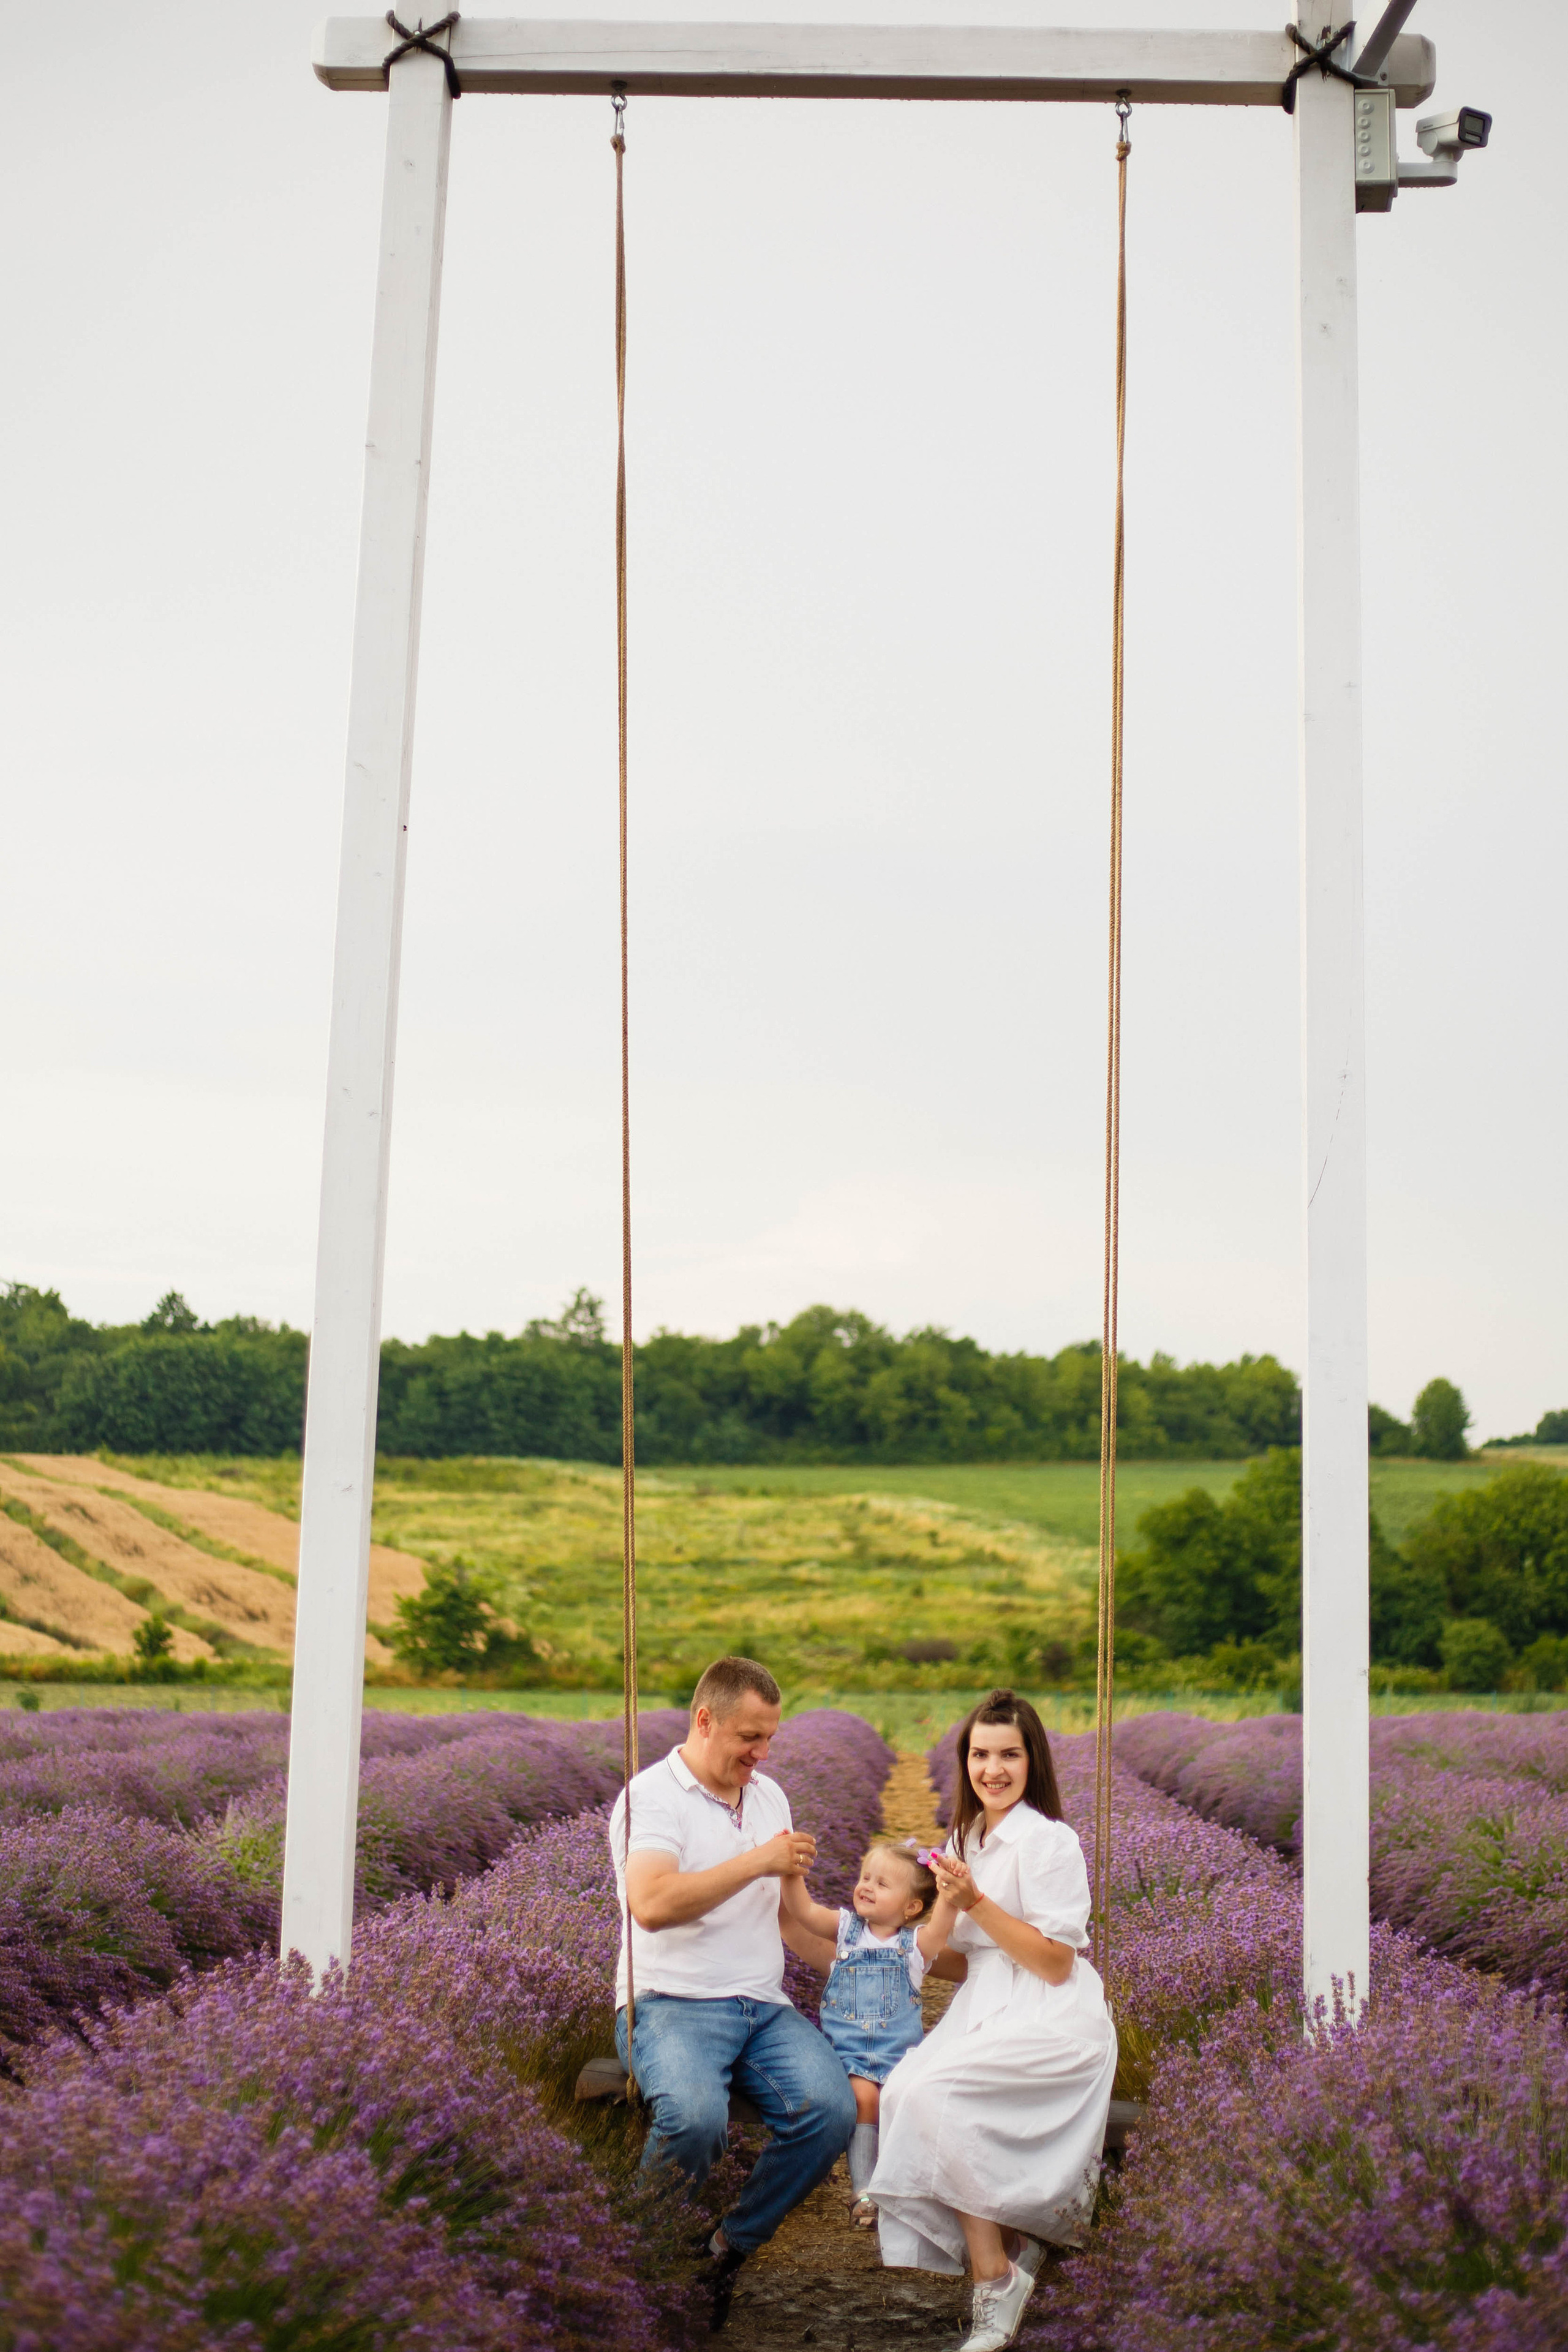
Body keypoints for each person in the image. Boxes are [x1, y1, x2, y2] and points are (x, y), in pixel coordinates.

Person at [608, 1654, 857, 2328]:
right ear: (705, 1720)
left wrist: (869, 1973)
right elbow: (652, 1903)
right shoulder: (651, 1798)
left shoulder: (769, 1797)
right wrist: (757, 1860)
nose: (762, 1752)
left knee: (831, 2114)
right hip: (670, 2002)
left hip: (761, 2007)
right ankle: (640, 2271)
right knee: (693, 2120)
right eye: (750, 1736)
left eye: (770, 1737)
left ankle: (721, 2250)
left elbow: (788, 1918)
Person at [869, 1690, 1117, 2352]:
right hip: (985, 2007)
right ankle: (1008, 2248)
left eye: (1009, 1755)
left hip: (1051, 2015)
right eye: (981, 1754)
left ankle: (994, 2279)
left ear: (1032, 1761)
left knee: (937, 2097)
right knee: (905, 2094)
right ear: (965, 1760)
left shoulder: (1049, 1842)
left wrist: (973, 1901)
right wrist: (892, 1946)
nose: (993, 1770)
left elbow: (1055, 1962)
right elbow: (964, 1961)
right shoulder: (961, 1839)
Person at [780, 1836, 956, 2225]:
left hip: (901, 2057)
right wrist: (791, 1873)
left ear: (911, 1907)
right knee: (864, 2100)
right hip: (850, 2054)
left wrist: (947, 1889)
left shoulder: (915, 1948)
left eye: (881, 1883)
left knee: (906, 2105)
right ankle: (864, 2191)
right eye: (865, 1877)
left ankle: (905, 2189)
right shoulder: (845, 1929)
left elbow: (942, 1926)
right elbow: (804, 1912)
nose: (866, 1886)